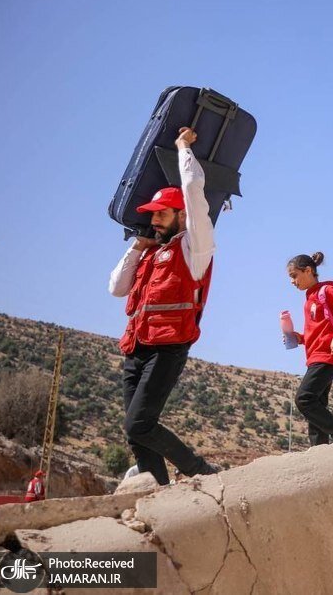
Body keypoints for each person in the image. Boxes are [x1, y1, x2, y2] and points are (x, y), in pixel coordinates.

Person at [109, 127, 217, 486]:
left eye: (162, 214)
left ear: (181, 216)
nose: (154, 220)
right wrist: (137, 246)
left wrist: (183, 148)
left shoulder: (194, 247)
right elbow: (116, 288)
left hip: (168, 348)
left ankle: (201, 471)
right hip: (136, 348)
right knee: (135, 432)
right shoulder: (148, 253)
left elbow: (194, 192)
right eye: (151, 215)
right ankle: (158, 490)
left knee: (139, 423)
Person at [284, 251, 333, 447]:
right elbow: (318, 331)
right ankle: (320, 450)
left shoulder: (327, 291)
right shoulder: (309, 298)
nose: (292, 281)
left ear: (308, 270)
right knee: (317, 404)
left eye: (294, 275)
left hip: (328, 355)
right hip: (316, 356)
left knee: (304, 399)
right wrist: (300, 338)